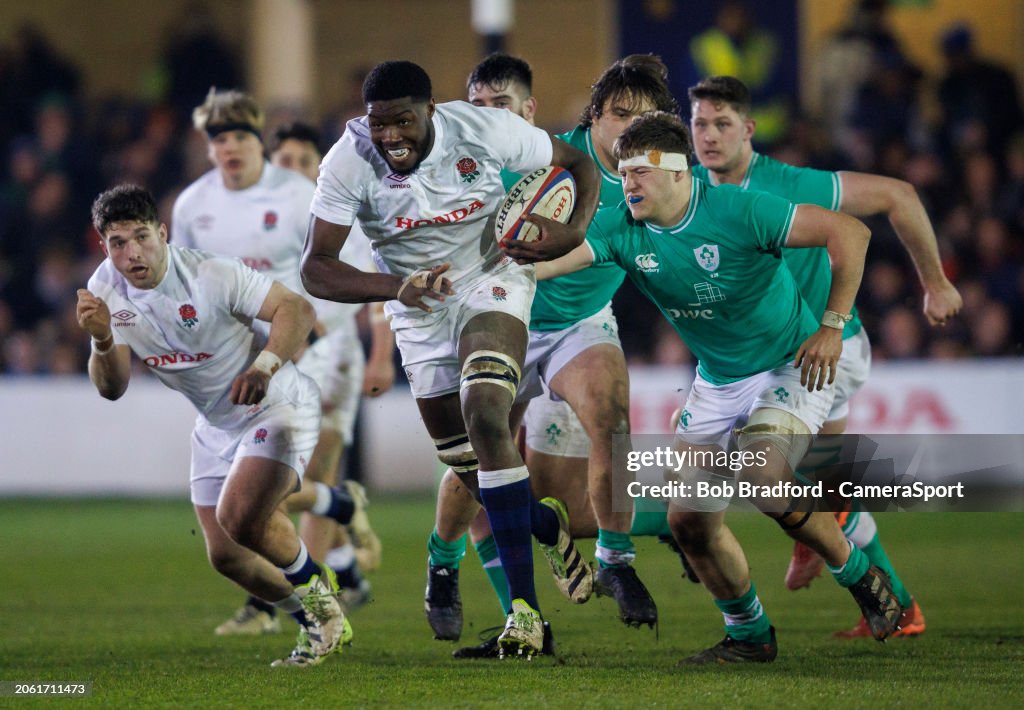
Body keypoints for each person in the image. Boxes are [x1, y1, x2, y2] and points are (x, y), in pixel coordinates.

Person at [519, 111, 902, 663]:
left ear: (679, 173)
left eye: (639, 173)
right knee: (689, 523)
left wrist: (833, 325)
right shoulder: (623, 228)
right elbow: (552, 264)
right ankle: (750, 637)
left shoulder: (737, 209)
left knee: (765, 474)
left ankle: (860, 573)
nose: (627, 184)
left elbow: (851, 230)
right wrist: (496, 268)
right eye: (622, 173)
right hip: (717, 383)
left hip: (786, 365)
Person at [300, 60, 600, 658]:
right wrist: (396, 290)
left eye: (403, 122)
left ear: (431, 110)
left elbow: (579, 164)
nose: (391, 138)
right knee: (466, 465)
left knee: (486, 409)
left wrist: (570, 232)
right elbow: (316, 267)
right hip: (415, 308)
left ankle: (527, 618)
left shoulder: (483, 129)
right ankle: (543, 526)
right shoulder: (347, 160)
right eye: (380, 124)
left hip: (491, 278)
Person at [687, 75, 962, 637]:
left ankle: (878, 591)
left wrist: (933, 283)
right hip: (770, 359)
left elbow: (899, 196)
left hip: (827, 352)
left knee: (794, 485)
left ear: (749, 130)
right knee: (806, 487)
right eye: (699, 124)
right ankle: (892, 605)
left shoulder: (789, 184)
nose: (709, 136)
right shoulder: (687, 190)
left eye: (722, 124)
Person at [443, 53, 683, 659]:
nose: (630, 128)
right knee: (483, 478)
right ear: (594, 116)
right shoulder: (542, 156)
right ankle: (460, 577)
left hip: (579, 324)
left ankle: (617, 561)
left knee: (611, 412)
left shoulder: (661, 177)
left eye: (645, 118)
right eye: (619, 114)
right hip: (506, 319)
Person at [78, 184, 350, 668]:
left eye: (141, 237)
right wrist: (101, 340)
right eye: (118, 243)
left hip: (277, 403)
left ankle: (325, 609)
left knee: (242, 514)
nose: (132, 253)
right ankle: (309, 616)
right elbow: (111, 388)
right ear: (104, 245)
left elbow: (298, 309)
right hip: (216, 424)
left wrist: (264, 366)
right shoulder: (103, 291)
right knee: (226, 556)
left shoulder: (209, 272)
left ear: (163, 232)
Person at [171, 92, 389, 641]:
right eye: (219, 139)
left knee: (281, 481)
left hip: (321, 347)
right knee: (255, 493)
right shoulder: (192, 207)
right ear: (209, 147)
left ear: (256, 139)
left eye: (241, 136)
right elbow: (184, 289)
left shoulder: (301, 196)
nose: (230, 148)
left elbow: (353, 269)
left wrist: (378, 349)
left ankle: (291, 602)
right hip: (242, 369)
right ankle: (334, 540)